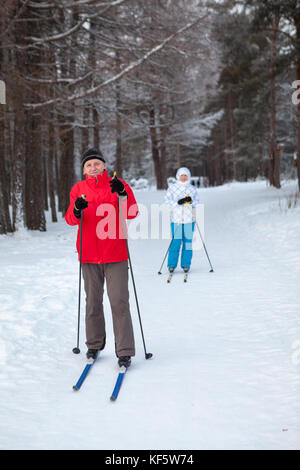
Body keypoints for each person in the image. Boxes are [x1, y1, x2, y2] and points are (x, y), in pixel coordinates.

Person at [65, 147, 139, 369]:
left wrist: (123, 194)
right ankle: (94, 344)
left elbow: (132, 212)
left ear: (104, 166)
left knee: (119, 301)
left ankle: (124, 350)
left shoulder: (118, 184)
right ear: (84, 169)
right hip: (88, 254)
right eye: (88, 165)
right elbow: (70, 219)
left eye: (96, 163)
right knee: (93, 302)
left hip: (115, 252)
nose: (93, 167)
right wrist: (77, 209)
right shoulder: (78, 188)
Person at [165, 167, 200, 273]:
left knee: (188, 243)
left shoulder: (192, 188)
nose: (183, 178)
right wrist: (178, 202)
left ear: (188, 177)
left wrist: (191, 201)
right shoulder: (172, 188)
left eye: (185, 176)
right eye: (182, 176)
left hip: (189, 219)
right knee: (176, 242)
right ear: (178, 176)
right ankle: (171, 264)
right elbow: (167, 200)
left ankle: (186, 264)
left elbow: (197, 201)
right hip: (176, 219)